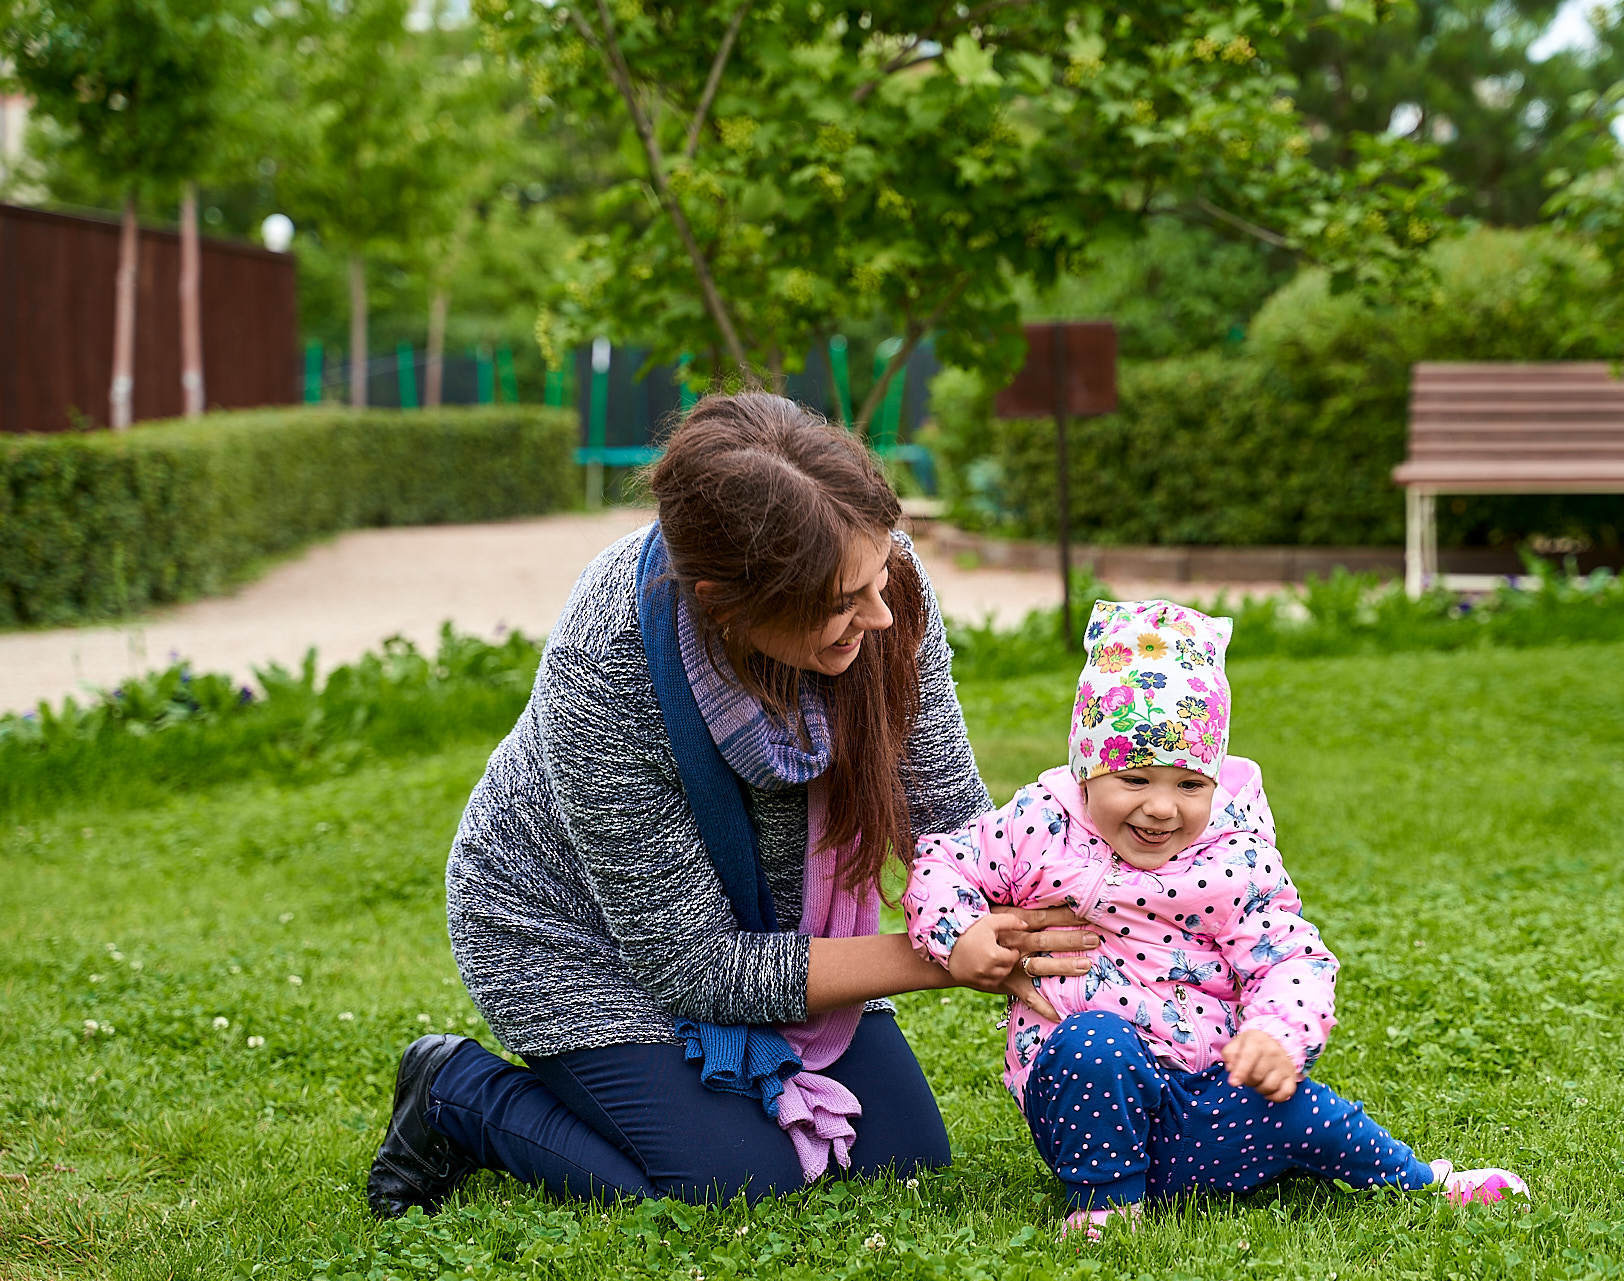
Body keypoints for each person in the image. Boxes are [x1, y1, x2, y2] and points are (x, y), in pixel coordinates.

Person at [366, 392, 1098, 1217]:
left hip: (777, 926)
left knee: (903, 1160)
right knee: (737, 1181)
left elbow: (953, 817)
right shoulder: (603, 668)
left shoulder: (872, 574)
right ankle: (454, 1093)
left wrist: (1120, 938)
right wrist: (943, 955)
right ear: (723, 602)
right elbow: (694, 965)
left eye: (882, 572)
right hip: (575, 938)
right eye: (842, 601)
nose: (882, 612)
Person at [901, 598, 1530, 1240]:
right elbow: (944, 859)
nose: (1161, 808)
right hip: (1094, 1099)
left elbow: (1289, 956)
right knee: (1094, 1045)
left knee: (1304, 1111)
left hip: (1209, 1095)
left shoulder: (1235, 857)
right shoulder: (1040, 826)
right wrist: (959, 935)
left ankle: (1422, 1182)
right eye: (1135, 779)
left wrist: (1276, 1038)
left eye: (1190, 784)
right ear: (1086, 771)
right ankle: (1106, 1204)